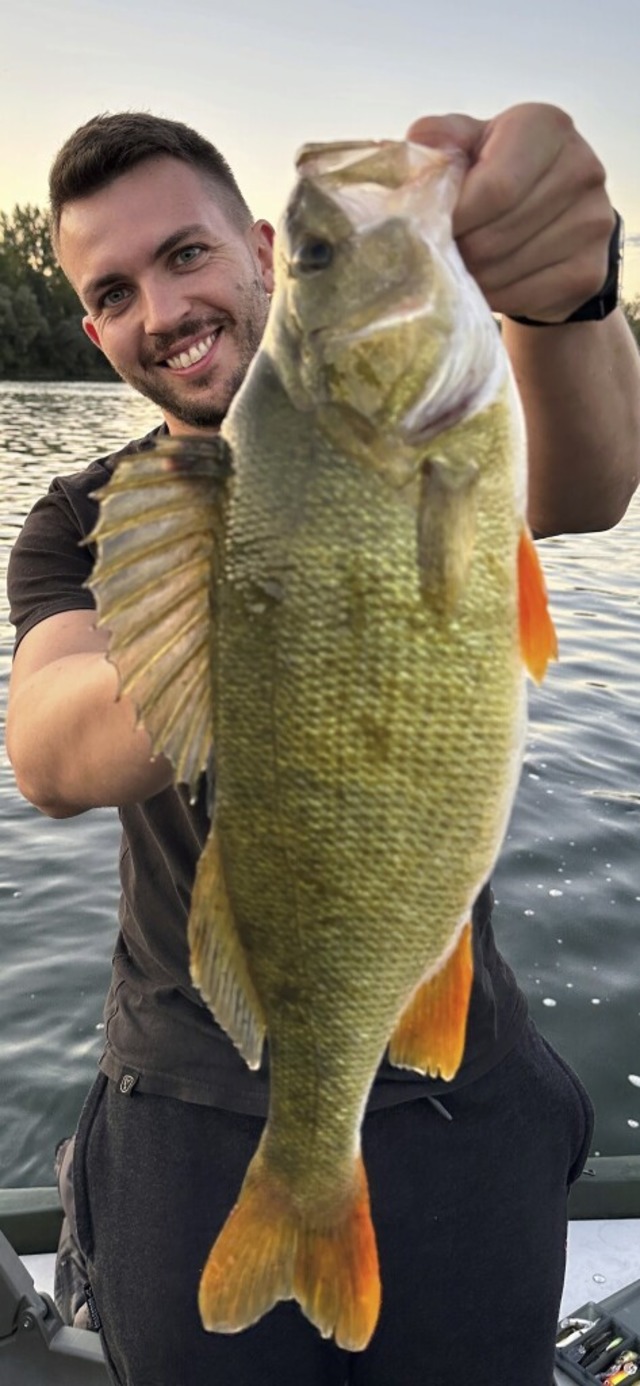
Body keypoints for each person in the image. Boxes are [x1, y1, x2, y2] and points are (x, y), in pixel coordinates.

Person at [6, 105, 640, 1386]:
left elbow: (587, 487)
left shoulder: (426, 442)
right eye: (113, 291)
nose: (162, 308)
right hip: (182, 1091)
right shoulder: (85, 516)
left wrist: (569, 299)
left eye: (187, 255)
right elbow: (49, 754)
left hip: (462, 1077)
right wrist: (237, 617)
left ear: (254, 253)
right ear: (92, 330)